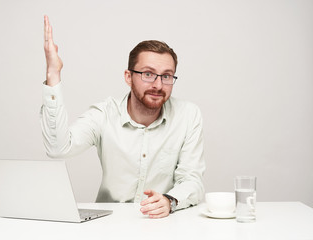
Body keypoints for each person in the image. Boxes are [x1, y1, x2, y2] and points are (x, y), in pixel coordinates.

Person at [40, 15, 205, 219]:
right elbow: (58, 149)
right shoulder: (104, 115)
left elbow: (192, 179)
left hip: (163, 224)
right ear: (129, 77)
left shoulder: (188, 115)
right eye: (148, 74)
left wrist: (169, 201)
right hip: (109, 223)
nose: (158, 85)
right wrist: (53, 74)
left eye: (167, 76)